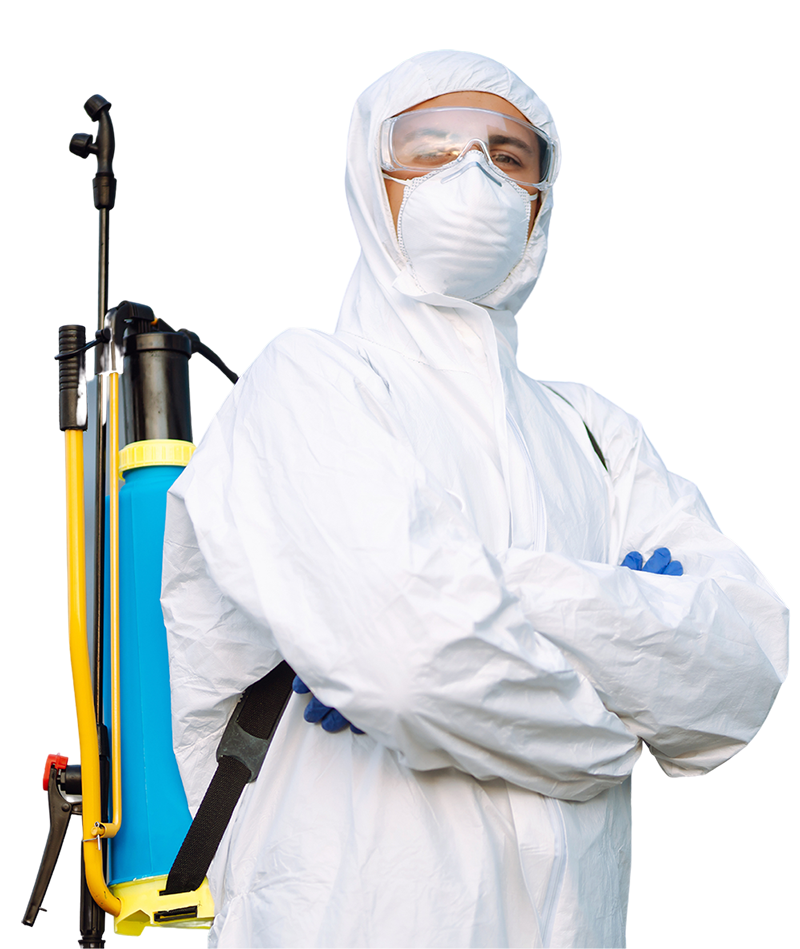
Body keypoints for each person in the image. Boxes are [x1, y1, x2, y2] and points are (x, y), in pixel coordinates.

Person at [161, 51, 788, 949]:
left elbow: (741, 679)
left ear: (537, 201)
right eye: (431, 147)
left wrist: (481, 593)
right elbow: (408, 662)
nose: (474, 174)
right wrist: (625, 723)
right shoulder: (304, 385)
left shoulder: (595, 435)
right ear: (372, 179)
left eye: (508, 154)